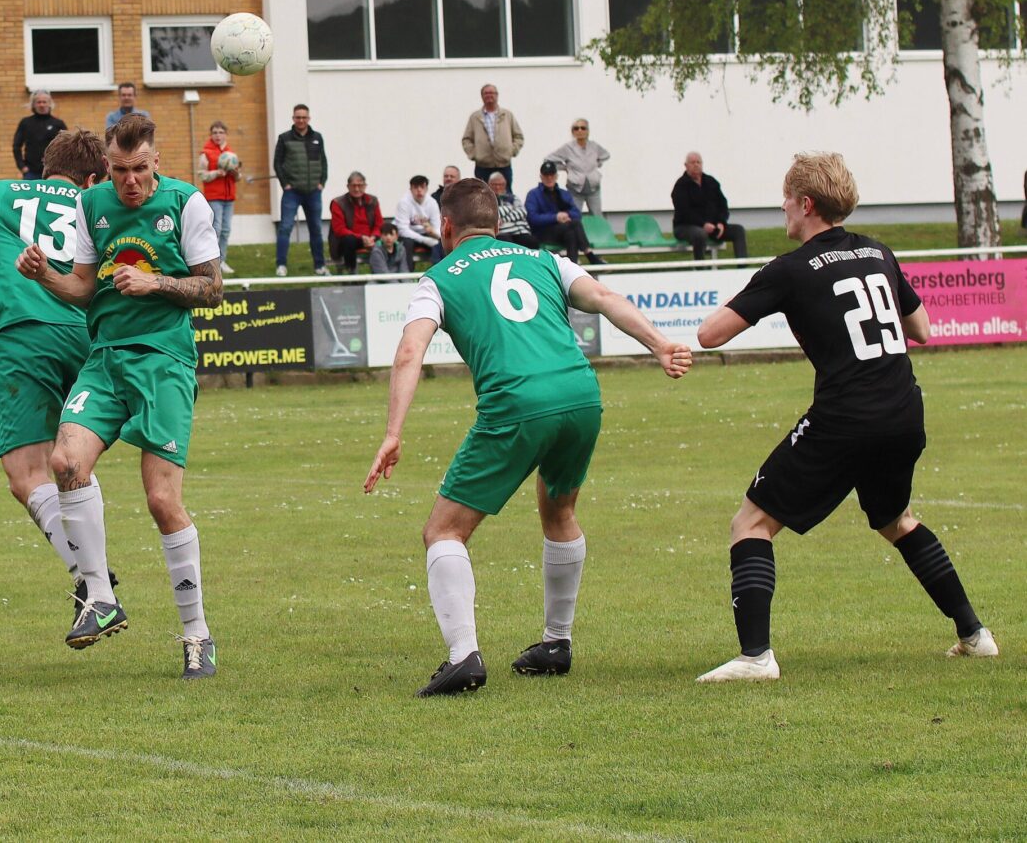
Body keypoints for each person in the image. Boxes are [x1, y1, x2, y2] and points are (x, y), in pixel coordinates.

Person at [364, 178, 691, 697]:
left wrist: (392, 433)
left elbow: (410, 352)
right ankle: (556, 643)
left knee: (443, 531)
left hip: (517, 404)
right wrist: (659, 344)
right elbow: (604, 297)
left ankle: (463, 657)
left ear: (445, 227)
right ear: (497, 224)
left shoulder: (438, 279)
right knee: (559, 511)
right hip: (580, 395)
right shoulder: (545, 260)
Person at [693, 152, 997, 683]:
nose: (782, 207)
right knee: (895, 520)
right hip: (904, 410)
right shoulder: (878, 252)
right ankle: (975, 635)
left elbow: (709, 335)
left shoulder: (789, 268)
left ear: (807, 204)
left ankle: (755, 657)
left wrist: (769, 290)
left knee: (752, 523)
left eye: (787, 198)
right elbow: (922, 329)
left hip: (845, 417)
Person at [16, 115, 222, 679]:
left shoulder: (186, 203)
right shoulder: (92, 204)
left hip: (164, 361)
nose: (129, 181)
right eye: (119, 170)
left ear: (156, 161)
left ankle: (197, 633)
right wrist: (44, 275)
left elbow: (212, 288)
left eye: (139, 169)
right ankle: (101, 598)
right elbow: (84, 287)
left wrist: (156, 282)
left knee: (161, 500)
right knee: (65, 462)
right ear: (105, 166)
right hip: (105, 359)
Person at [0, 129, 121, 626]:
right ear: (92, 177)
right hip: (90, 337)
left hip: (27, 334)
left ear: (43, 168)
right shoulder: (100, 202)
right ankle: (97, 582)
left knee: (27, 474)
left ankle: (92, 581)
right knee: (75, 459)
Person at [272, 103, 329, 277]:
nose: (301, 120)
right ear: (293, 118)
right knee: (285, 228)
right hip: (292, 192)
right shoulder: (284, 138)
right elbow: (277, 163)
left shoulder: (317, 137)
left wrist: (322, 182)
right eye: (298, 117)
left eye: (304, 117)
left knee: (316, 229)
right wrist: (285, 184)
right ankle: (281, 265)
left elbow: (323, 161)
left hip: (313, 192)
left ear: (308, 118)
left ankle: (320, 266)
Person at [672, 152, 749, 260]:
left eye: (698, 162)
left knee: (738, 230)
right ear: (686, 165)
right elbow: (684, 212)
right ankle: (701, 267)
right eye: (693, 162)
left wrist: (721, 222)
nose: (696, 165)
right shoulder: (680, 186)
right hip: (685, 227)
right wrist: (703, 224)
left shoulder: (711, 182)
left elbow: (723, 205)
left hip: (713, 227)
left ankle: (742, 266)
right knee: (700, 234)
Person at [525, 161, 600, 264]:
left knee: (571, 233)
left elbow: (577, 213)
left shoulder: (563, 193)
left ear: (556, 176)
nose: (549, 178)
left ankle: (572, 264)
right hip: (543, 233)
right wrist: (555, 217)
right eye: (546, 175)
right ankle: (588, 253)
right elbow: (532, 218)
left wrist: (566, 215)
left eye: (552, 175)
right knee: (573, 225)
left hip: (564, 230)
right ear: (541, 177)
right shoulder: (533, 194)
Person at [461, 84, 524, 188]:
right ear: (482, 96)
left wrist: (511, 151)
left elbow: (518, 136)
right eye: (486, 93)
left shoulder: (507, 115)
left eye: (491, 93)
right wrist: (475, 154)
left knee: (505, 194)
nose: (489, 95)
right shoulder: (475, 117)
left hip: (504, 165)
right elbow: (466, 139)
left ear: (497, 95)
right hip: (482, 167)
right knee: (482, 195)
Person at [198, 120, 240, 275]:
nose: (218, 135)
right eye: (215, 133)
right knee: (216, 229)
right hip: (214, 197)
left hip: (229, 197)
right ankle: (211, 262)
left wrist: (235, 174)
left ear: (226, 135)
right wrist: (216, 173)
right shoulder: (206, 153)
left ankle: (222, 261)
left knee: (226, 230)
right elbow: (201, 175)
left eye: (221, 132)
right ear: (211, 135)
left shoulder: (231, 154)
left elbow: (238, 178)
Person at [547, 119, 611, 217]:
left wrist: (597, 163)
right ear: (573, 132)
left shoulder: (594, 146)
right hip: (575, 189)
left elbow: (606, 155)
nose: (580, 130)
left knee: (597, 216)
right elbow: (549, 159)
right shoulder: (567, 148)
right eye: (576, 128)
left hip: (594, 188)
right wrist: (565, 167)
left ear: (588, 131)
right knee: (574, 216)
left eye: (583, 128)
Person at [329, 171, 382, 275]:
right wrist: (361, 237)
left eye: (360, 185)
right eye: (353, 186)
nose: (357, 189)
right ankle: (352, 272)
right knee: (349, 240)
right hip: (349, 240)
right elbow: (339, 229)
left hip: (371, 238)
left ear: (365, 186)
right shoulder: (338, 203)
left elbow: (379, 224)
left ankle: (386, 274)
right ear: (348, 187)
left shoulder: (373, 200)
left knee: (390, 236)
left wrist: (373, 237)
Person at [12, 90, 67, 180]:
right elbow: (16, 146)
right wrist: (22, 166)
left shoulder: (58, 124)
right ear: (33, 104)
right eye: (39, 102)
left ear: (50, 104)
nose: (41, 105)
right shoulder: (25, 123)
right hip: (31, 173)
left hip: (52, 172)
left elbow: (67, 148)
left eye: (44, 102)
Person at [396, 174, 444, 264]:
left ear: (426, 189)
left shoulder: (432, 203)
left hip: (426, 233)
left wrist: (434, 233)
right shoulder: (403, 203)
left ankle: (439, 269)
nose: (419, 190)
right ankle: (407, 272)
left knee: (441, 243)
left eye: (422, 187)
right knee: (407, 243)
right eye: (415, 187)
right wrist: (423, 239)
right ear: (410, 189)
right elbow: (403, 230)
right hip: (409, 235)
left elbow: (438, 226)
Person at [491, 172, 536, 248]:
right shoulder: (488, 200)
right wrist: (511, 207)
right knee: (507, 243)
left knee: (532, 242)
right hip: (503, 233)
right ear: (489, 185)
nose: (498, 187)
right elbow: (495, 214)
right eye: (495, 184)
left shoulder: (513, 197)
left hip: (520, 231)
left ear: (505, 185)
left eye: (500, 184)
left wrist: (504, 219)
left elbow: (522, 212)